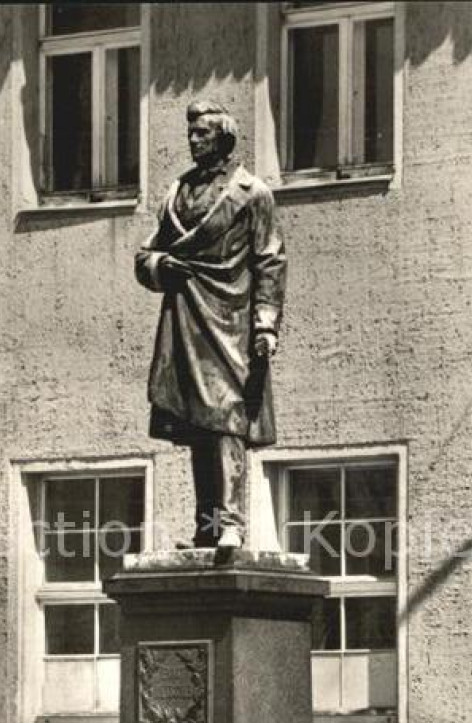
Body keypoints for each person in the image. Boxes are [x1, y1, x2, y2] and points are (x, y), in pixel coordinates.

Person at [135, 99, 286, 549]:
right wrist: (163, 266)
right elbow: (145, 256)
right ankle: (207, 525)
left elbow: (270, 260)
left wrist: (265, 323)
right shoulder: (176, 192)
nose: (193, 140)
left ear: (223, 137)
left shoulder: (251, 193)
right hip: (185, 318)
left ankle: (233, 524)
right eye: (191, 133)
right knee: (198, 425)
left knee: (227, 418)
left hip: (230, 318)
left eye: (202, 133)